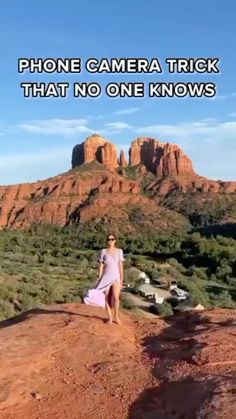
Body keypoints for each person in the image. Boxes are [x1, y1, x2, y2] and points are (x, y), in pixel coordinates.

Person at [84, 233, 124, 324]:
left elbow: (120, 265)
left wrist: (122, 278)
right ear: (107, 241)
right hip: (105, 277)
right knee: (105, 297)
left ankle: (116, 317)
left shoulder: (119, 251)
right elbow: (101, 265)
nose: (110, 241)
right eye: (109, 239)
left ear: (115, 240)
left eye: (112, 239)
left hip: (116, 277)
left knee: (116, 298)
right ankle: (110, 318)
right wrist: (99, 276)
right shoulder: (103, 251)